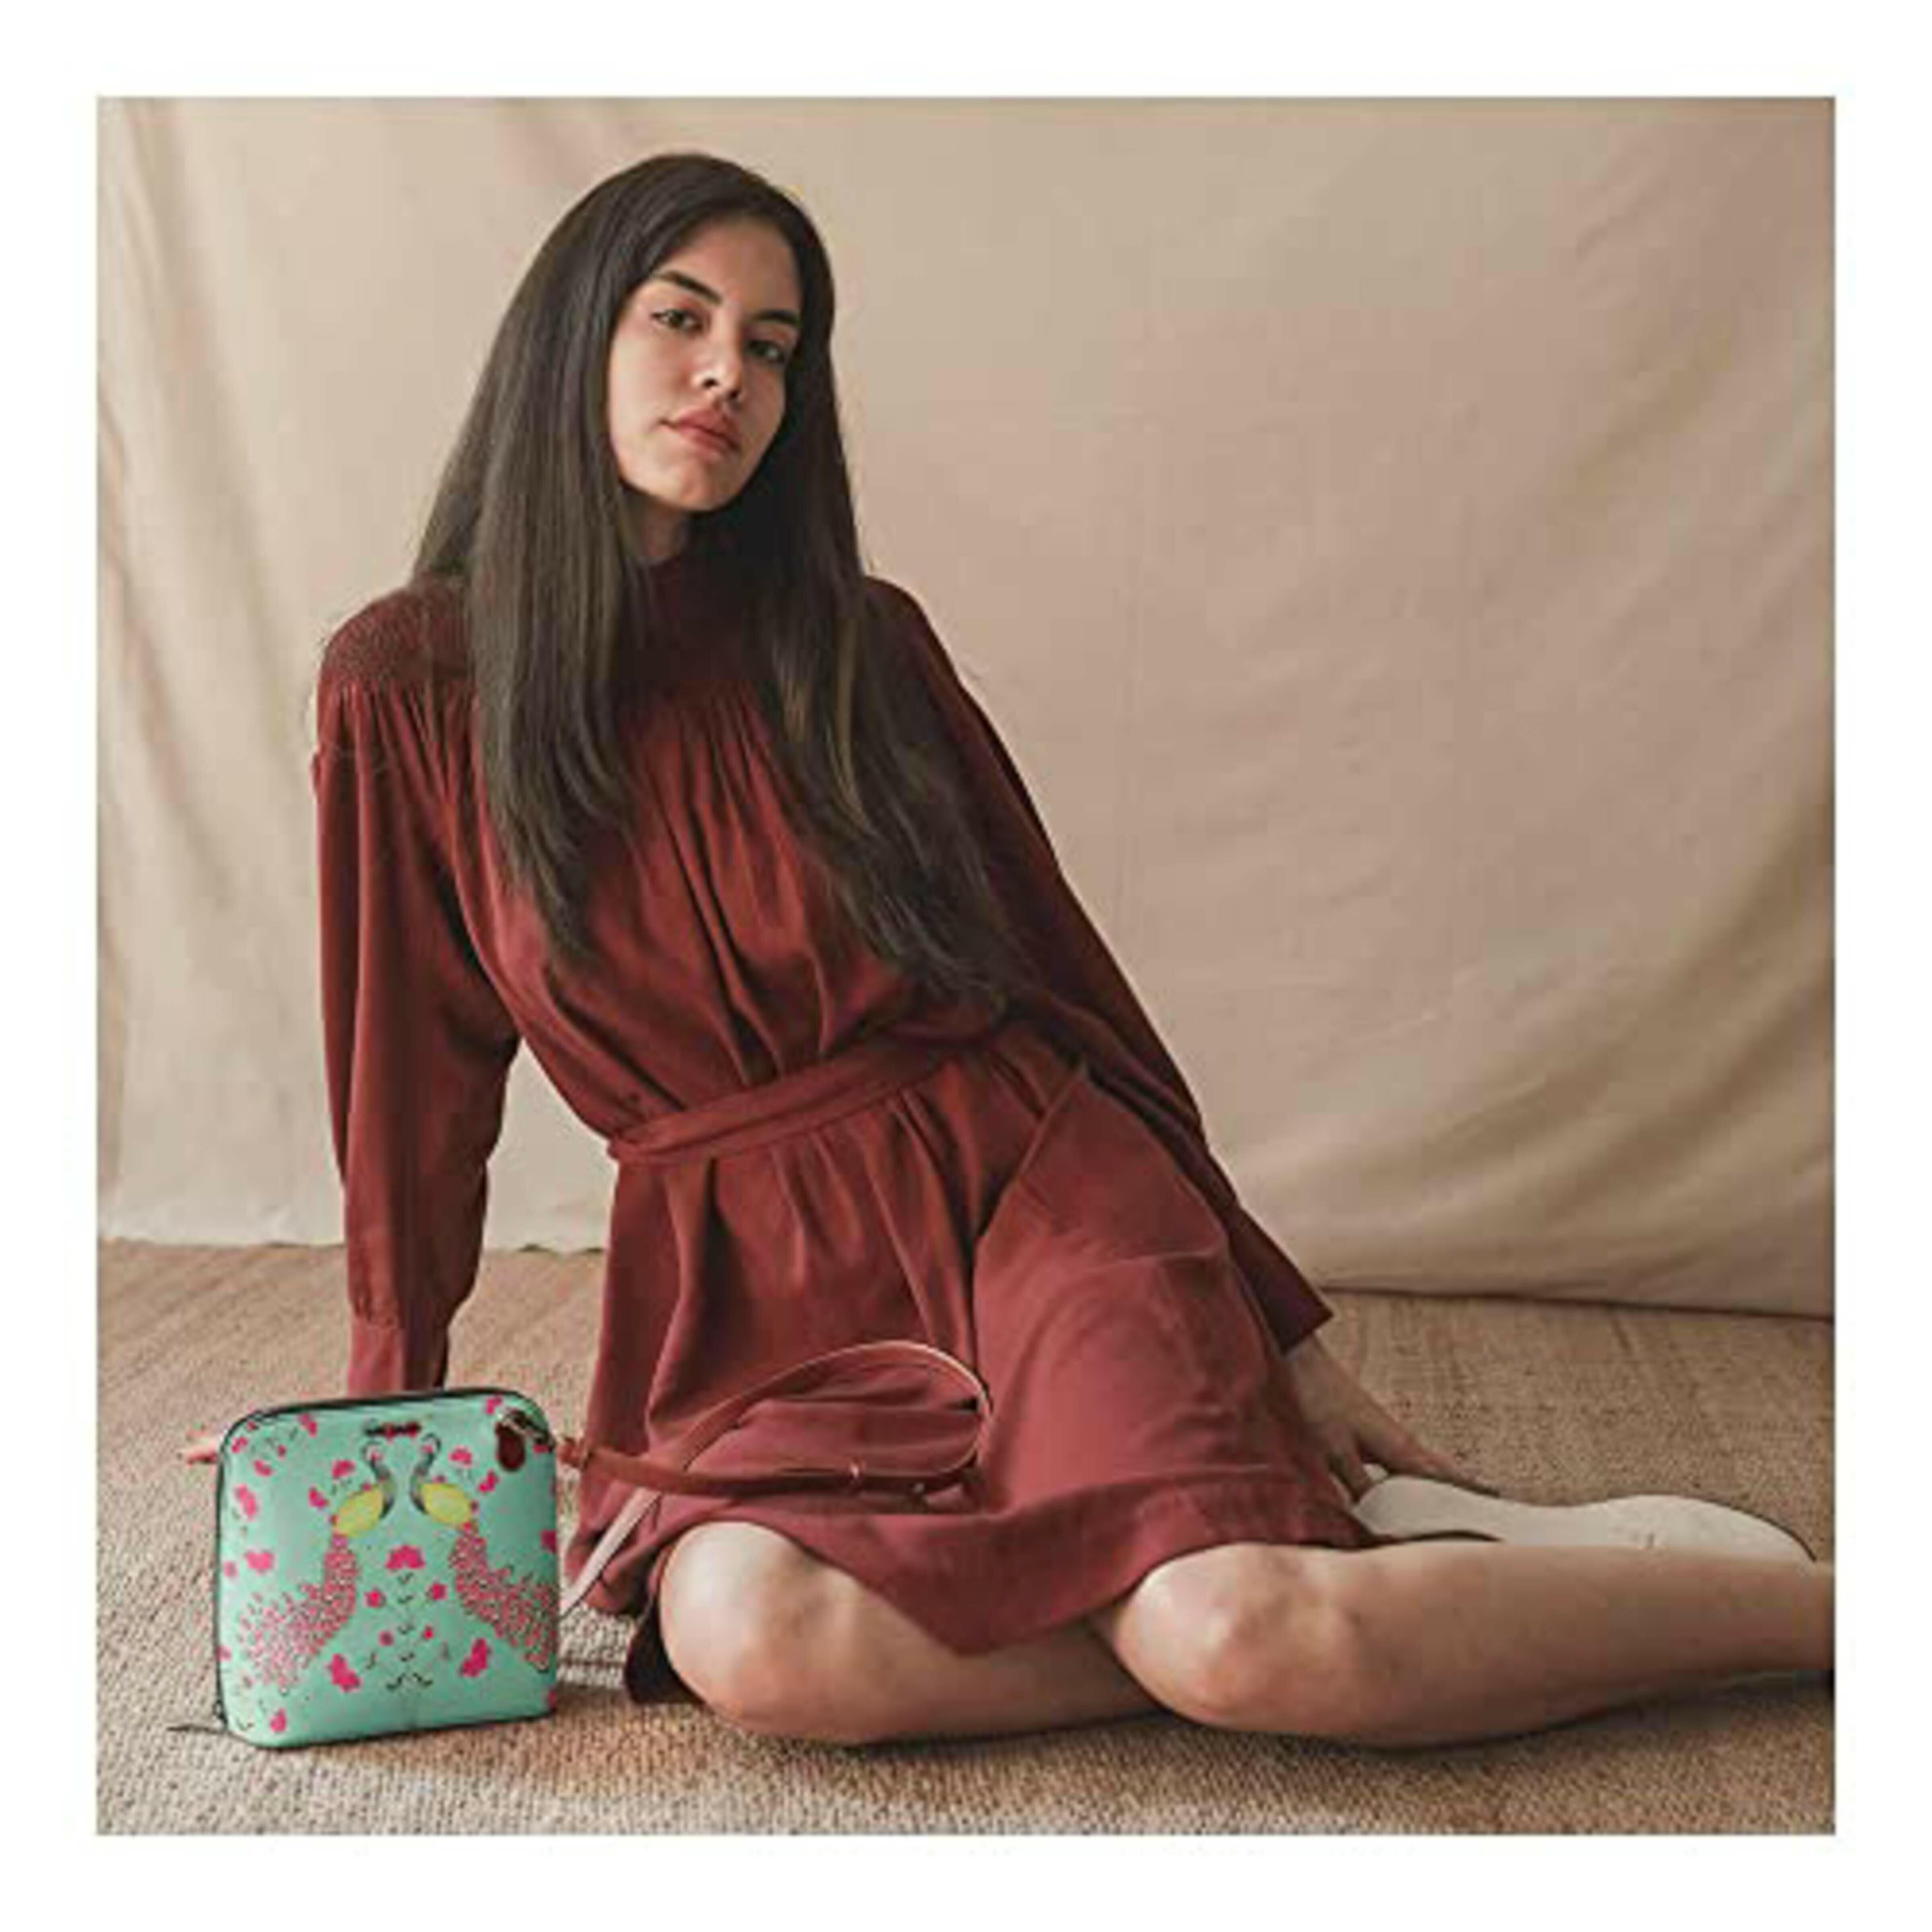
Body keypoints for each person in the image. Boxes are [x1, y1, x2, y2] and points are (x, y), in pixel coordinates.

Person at [302, 151, 1832, 1751]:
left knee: (1237, 1637)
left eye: (773, 345)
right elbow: (411, 1084)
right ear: (570, 336)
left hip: (1028, 1194)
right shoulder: (407, 685)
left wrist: (1277, 1324)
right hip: (754, 1301)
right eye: (680, 320)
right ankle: (1356, 1582)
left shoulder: (859, 646)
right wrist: (377, 1412)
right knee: (755, 1645)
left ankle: (1816, 1612)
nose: (726, 376)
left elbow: (1062, 977)